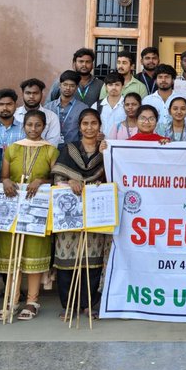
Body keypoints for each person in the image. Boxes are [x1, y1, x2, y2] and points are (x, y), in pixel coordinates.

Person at [0, 109, 59, 320]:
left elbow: (56, 179)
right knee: (12, 254)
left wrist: (41, 181)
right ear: (24, 126)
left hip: (38, 209)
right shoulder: (12, 148)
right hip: (13, 207)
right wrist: (6, 181)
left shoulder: (50, 150)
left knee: (33, 253)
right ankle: (11, 300)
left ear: (44, 127)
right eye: (29, 125)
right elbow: (4, 176)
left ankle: (32, 301)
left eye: (38, 125)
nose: (33, 129)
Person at [51, 106, 110, 319]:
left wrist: (101, 182)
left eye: (94, 123)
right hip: (70, 212)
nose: (89, 127)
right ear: (79, 126)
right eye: (85, 123)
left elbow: (113, 175)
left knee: (92, 262)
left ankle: (88, 305)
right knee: (66, 261)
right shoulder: (69, 149)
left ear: (100, 126)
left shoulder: (105, 150)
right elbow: (57, 178)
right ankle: (68, 305)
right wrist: (70, 181)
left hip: (95, 213)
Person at [14, 78, 61, 147]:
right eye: (28, 93)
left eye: (35, 93)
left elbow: (52, 145)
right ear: (22, 94)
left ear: (41, 94)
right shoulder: (14, 115)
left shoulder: (51, 117)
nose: (31, 96)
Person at [45, 71, 85, 146]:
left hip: (73, 149)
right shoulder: (48, 107)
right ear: (60, 85)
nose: (68, 88)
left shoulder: (83, 108)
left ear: (76, 87)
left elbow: (83, 133)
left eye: (72, 86)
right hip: (50, 148)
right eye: (65, 85)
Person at [96, 71, 128, 138]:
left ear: (123, 86)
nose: (113, 87)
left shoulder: (128, 105)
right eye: (110, 85)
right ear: (105, 87)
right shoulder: (97, 106)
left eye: (117, 85)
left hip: (123, 143)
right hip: (102, 143)